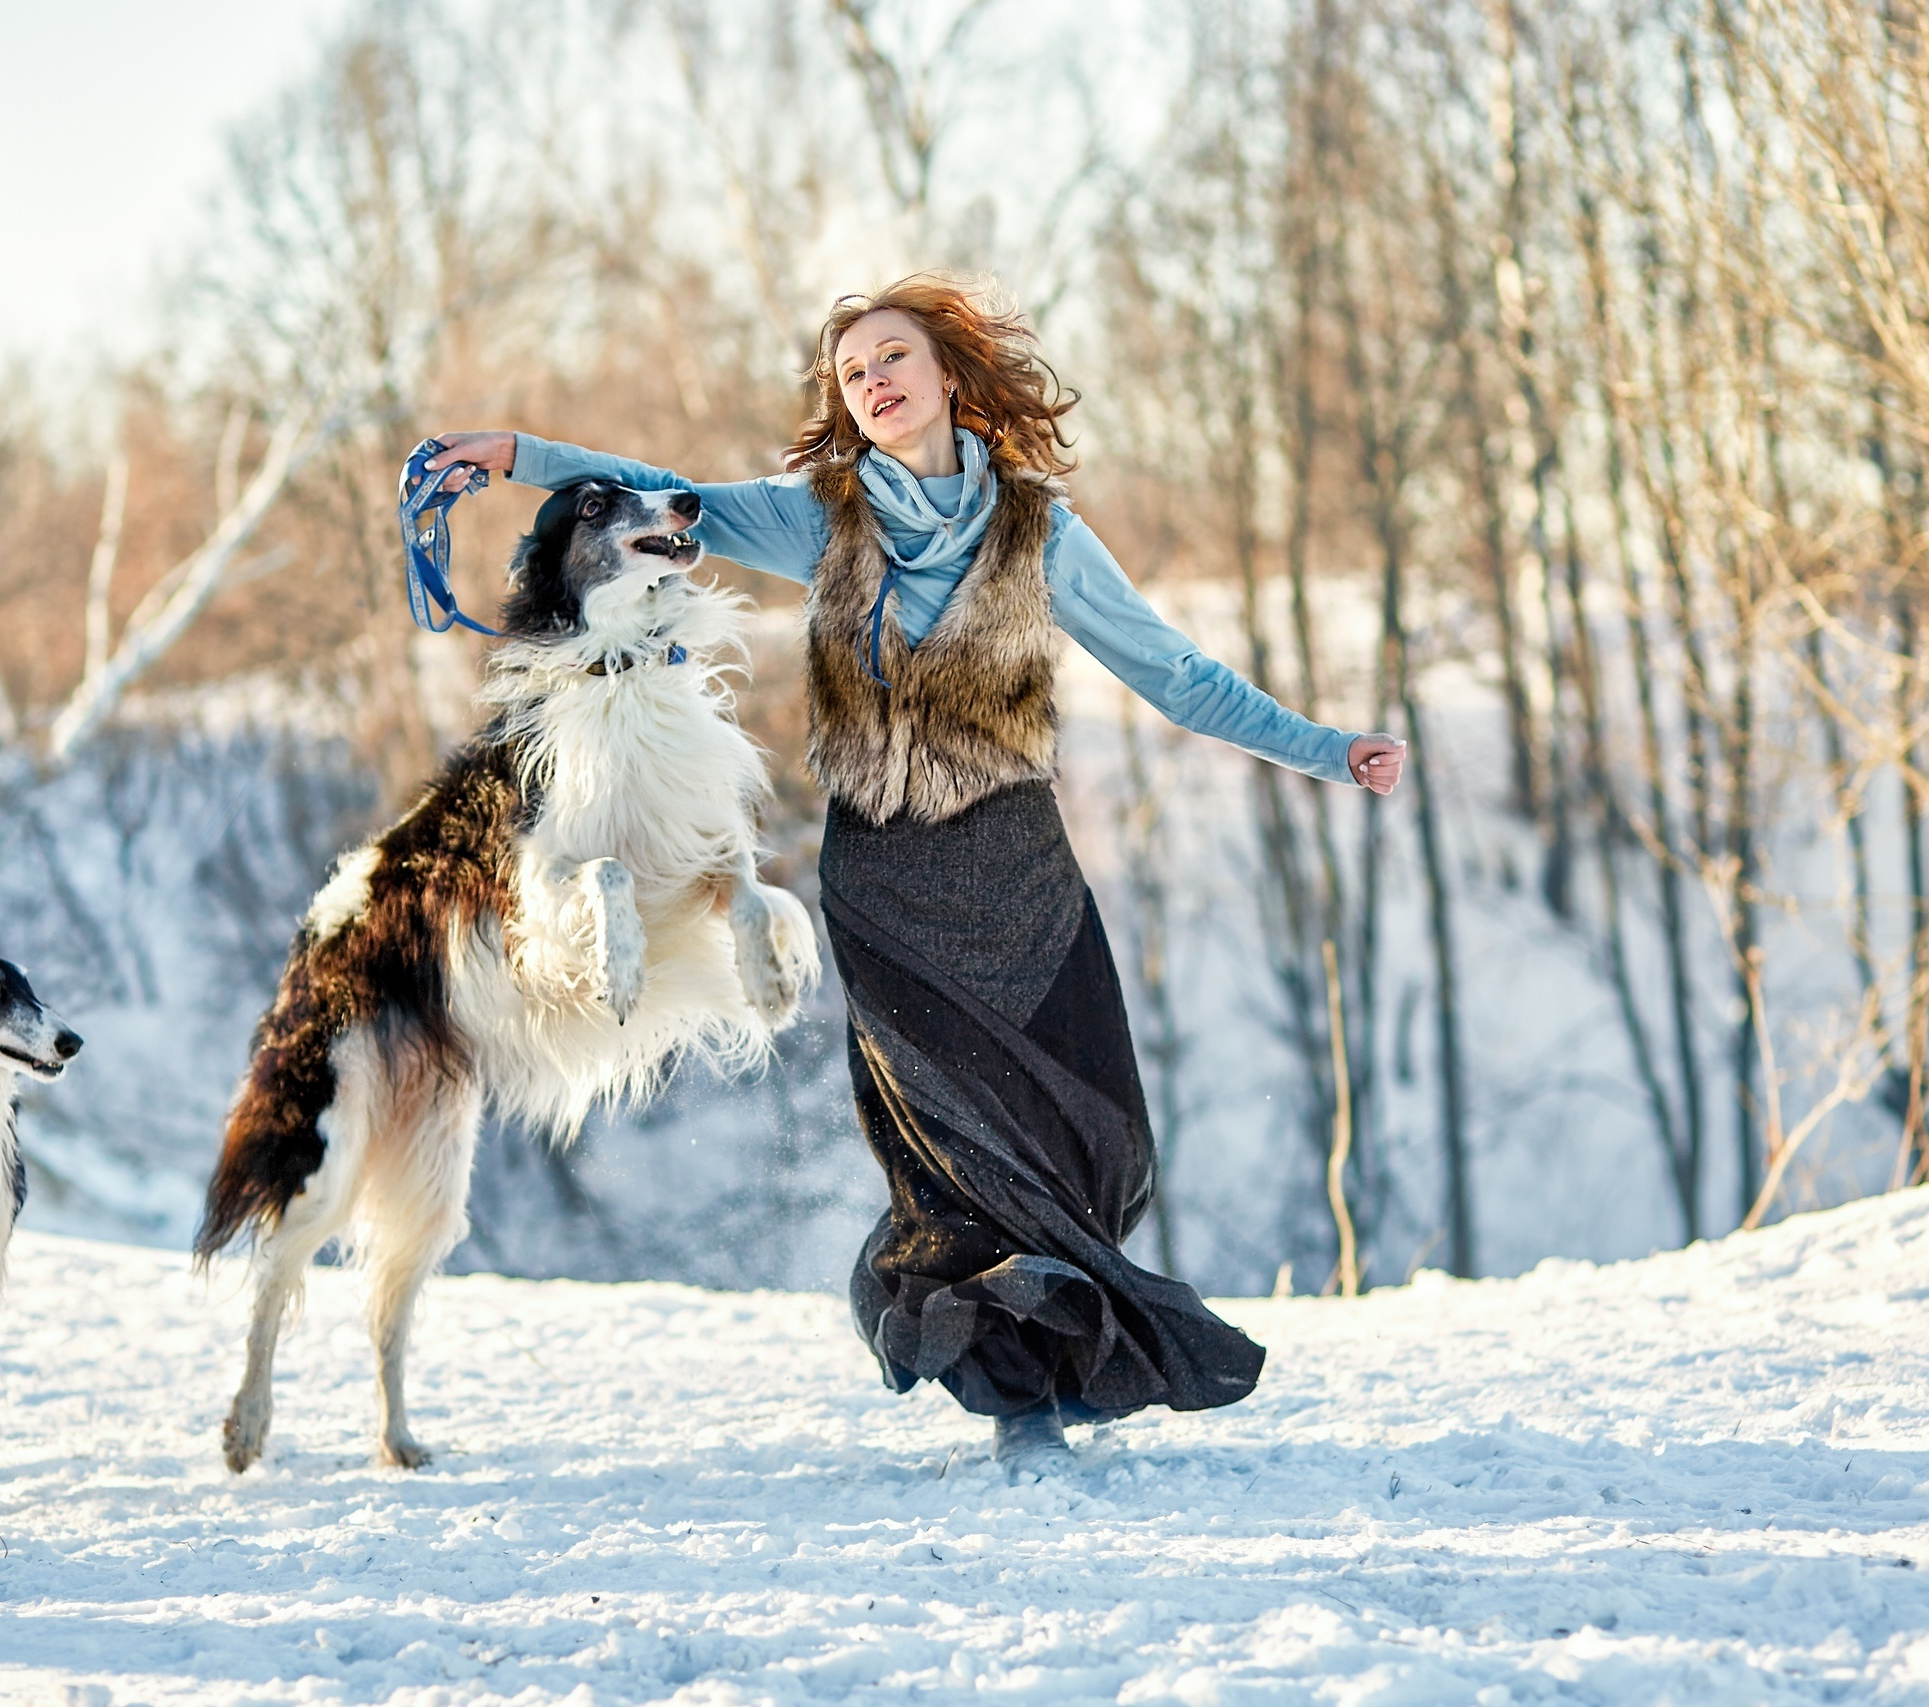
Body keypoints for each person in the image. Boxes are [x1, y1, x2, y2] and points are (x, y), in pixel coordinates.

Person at [426, 274, 1405, 1477]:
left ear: (948, 373)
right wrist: (515, 453)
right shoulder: (818, 517)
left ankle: (1072, 1347)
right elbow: (650, 491)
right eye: (851, 372)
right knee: (954, 1156)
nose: (874, 381)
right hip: (889, 889)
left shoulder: (1041, 531)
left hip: (1023, 875)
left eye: (893, 357)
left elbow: (1178, 676)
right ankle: (1021, 1404)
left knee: (1088, 1134)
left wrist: (1326, 747)